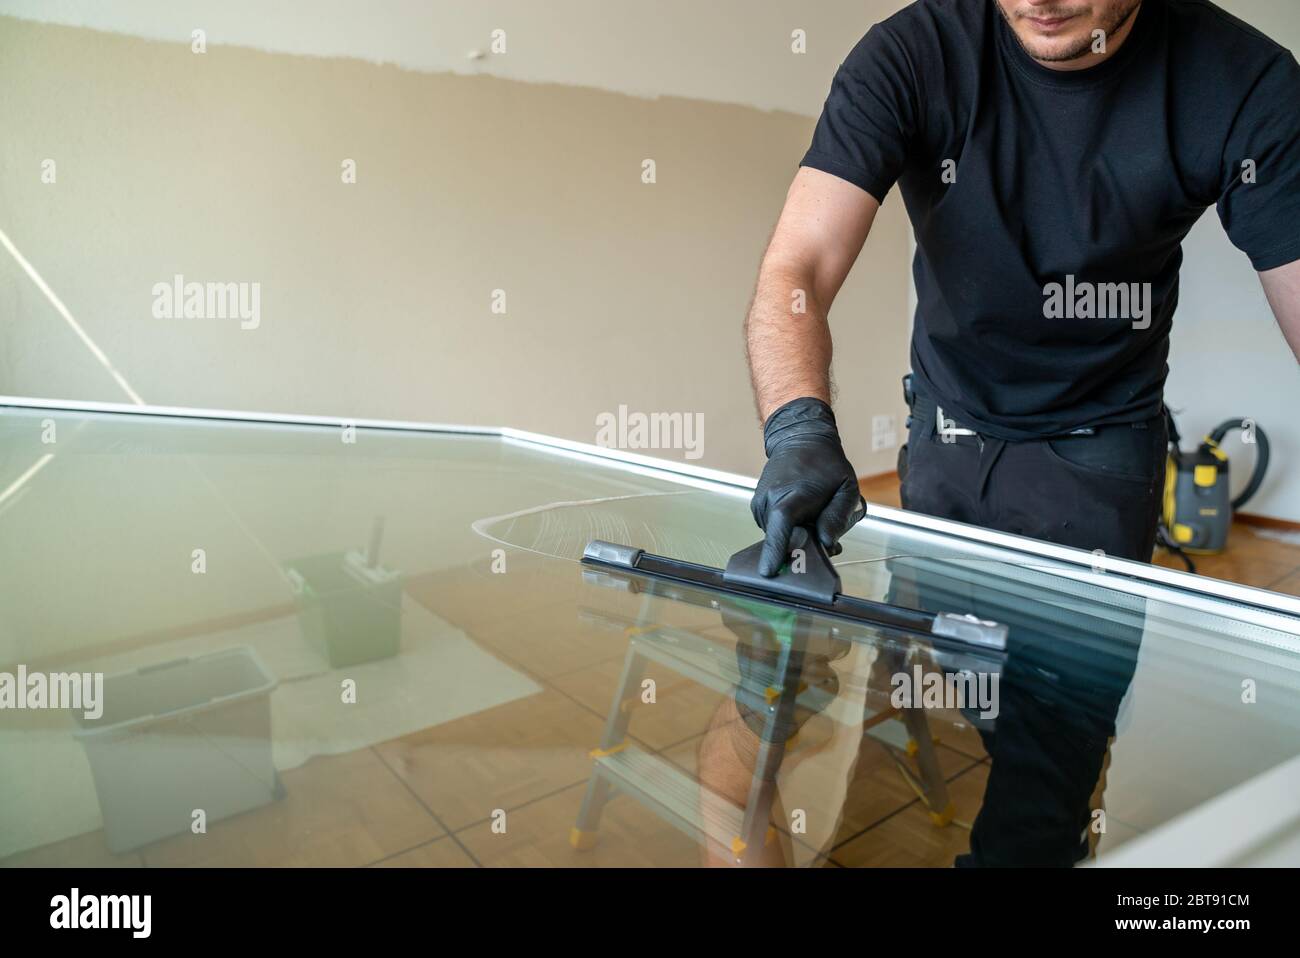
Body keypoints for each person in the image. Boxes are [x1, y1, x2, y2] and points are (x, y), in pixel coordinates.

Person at [745, 0, 1300, 572]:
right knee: (927, 651)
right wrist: (797, 429)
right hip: (947, 418)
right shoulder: (911, 54)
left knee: (1074, 658)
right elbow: (799, 267)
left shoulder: (1245, 82)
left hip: (1103, 436)